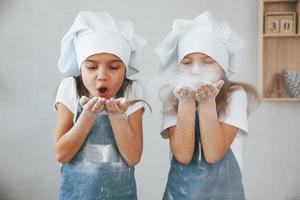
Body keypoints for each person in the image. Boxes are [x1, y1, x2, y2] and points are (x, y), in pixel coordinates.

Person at [156, 11, 259, 200]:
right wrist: (186, 103)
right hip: (179, 194)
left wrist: (207, 102)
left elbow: (213, 154)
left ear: (222, 66)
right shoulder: (173, 99)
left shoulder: (235, 96)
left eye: (208, 61)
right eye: (187, 62)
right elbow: (183, 155)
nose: (196, 69)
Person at [53, 11, 147, 200]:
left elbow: (133, 157)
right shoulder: (71, 88)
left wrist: (117, 117)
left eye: (113, 67)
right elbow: (62, 154)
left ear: (125, 68)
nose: (102, 75)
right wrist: (87, 116)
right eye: (92, 67)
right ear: (81, 67)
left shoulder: (132, 90)